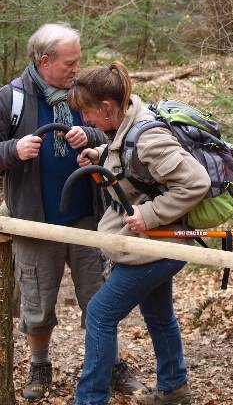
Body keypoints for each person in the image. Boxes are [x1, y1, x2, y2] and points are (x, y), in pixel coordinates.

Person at [0, 23, 142, 401]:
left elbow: (117, 134)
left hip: (89, 219)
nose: (76, 69)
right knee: (37, 301)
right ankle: (39, 364)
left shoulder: (86, 91)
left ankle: (109, 366)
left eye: (78, 61)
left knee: (98, 297)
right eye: (70, 62)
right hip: (35, 221)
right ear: (44, 61)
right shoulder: (10, 100)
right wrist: (13, 151)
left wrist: (91, 138)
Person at [70, 61, 210, 405]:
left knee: (100, 315)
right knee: (159, 315)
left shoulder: (148, 137)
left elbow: (196, 183)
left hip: (159, 244)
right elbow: (134, 164)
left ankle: (90, 399)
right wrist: (100, 154)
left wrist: (148, 215)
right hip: (153, 242)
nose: (86, 121)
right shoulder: (127, 124)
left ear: (106, 107)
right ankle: (174, 389)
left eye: (87, 113)